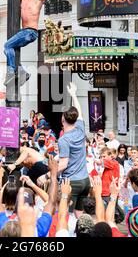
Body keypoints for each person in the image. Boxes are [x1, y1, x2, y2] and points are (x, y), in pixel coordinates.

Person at [3, 0, 59, 85]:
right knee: (9, 50)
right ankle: (23, 72)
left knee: (7, 45)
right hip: (24, 32)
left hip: (30, 32)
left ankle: (11, 73)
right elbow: (13, 3)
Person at [57, 82, 90, 218]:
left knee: (65, 216)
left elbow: (63, 164)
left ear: (63, 120)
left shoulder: (64, 140)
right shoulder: (81, 129)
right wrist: (74, 95)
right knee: (80, 215)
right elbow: (80, 112)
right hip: (85, 180)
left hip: (71, 182)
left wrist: (49, 173)